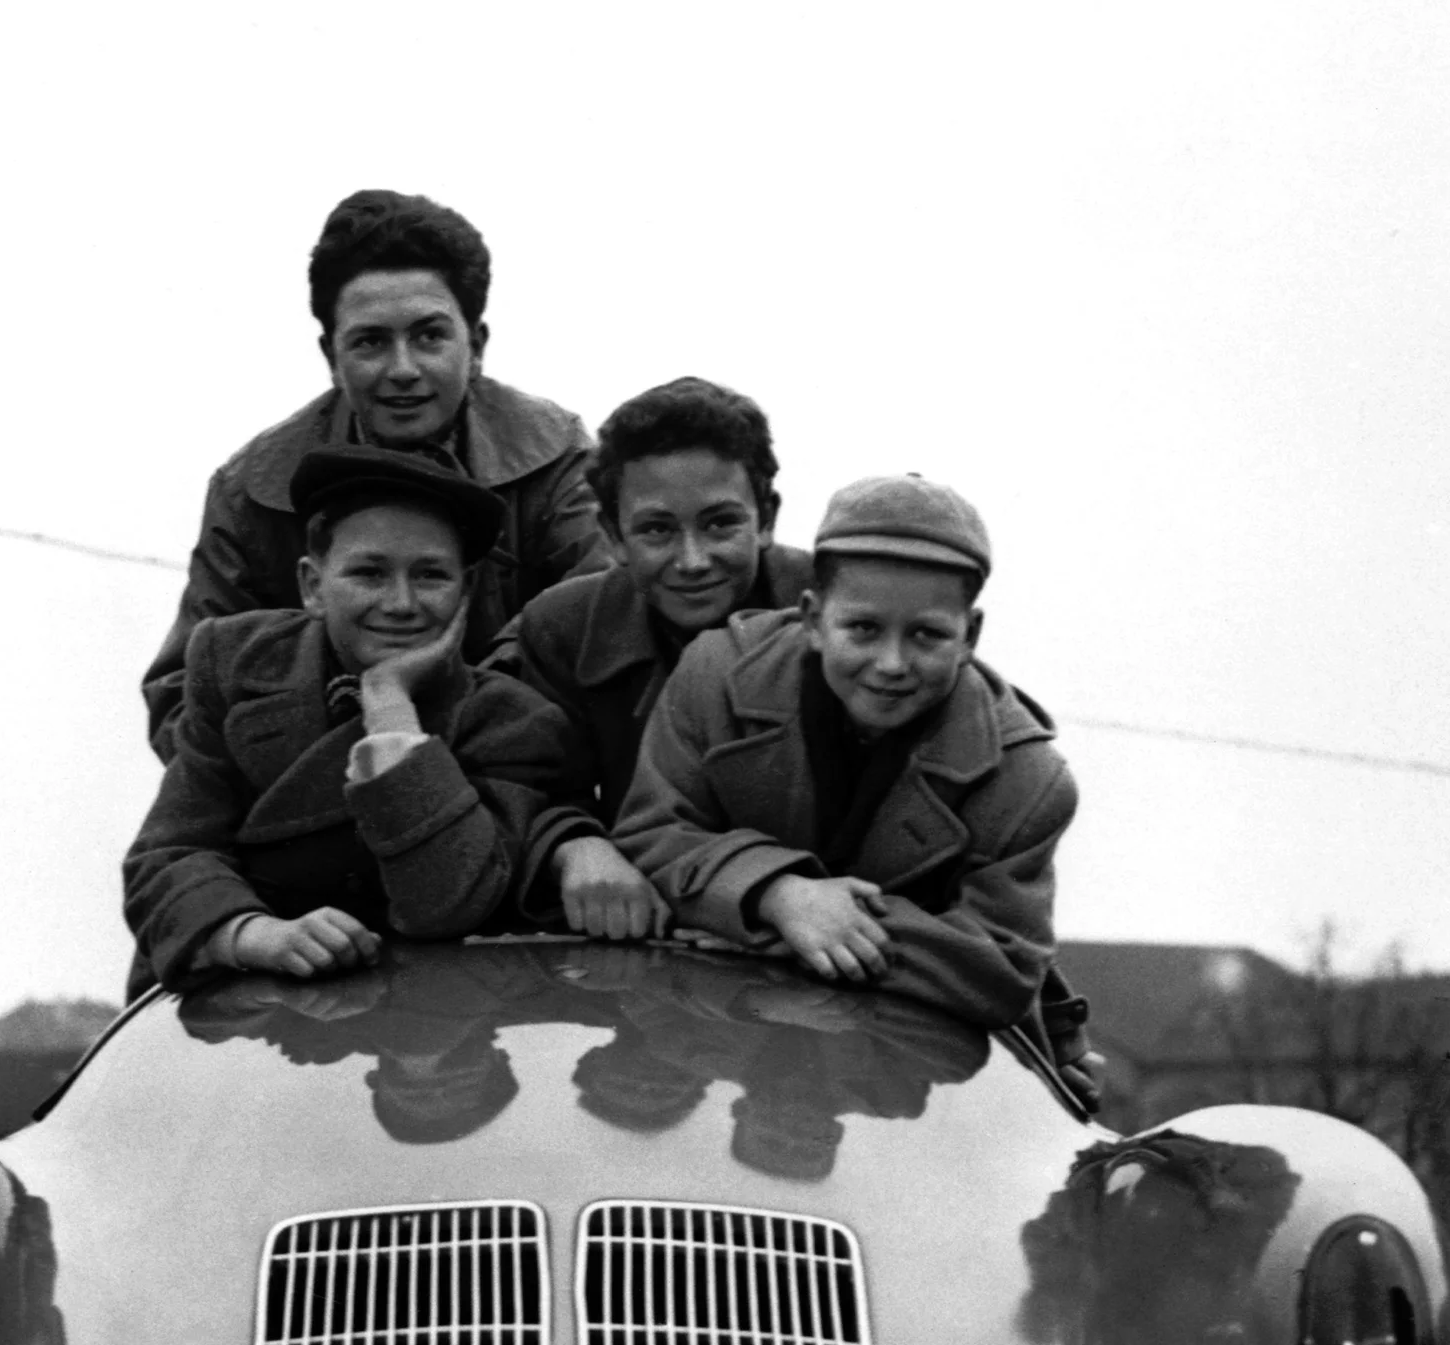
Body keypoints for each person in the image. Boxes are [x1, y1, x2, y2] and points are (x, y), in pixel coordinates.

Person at [141, 189, 609, 757]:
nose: (403, 369)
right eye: (371, 342)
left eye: (429, 336)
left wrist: (458, 734)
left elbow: (601, 634)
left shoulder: (555, 458)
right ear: (331, 357)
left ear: (477, 345)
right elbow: (181, 698)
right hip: (309, 780)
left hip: (513, 771)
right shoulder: (252, 490)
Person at [613, 474, 1079, 1038]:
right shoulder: (714, 675)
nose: (891, 663)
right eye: (863, 628)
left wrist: (800, 930)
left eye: (927, 635)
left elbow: (1001, 969)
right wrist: (778, 894)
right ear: (813, 619)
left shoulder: (1025, 779)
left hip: (908, 1058)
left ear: (970, 637)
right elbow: (650, 834)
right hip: (718, 1028)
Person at [123, 446, 586, 987]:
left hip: (425, 1017)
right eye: (369, 573)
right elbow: (168, 855)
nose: (401, 603)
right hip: (238, 998)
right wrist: (255, 935)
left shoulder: (512, 721)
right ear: (312, 586)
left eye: (431, 576)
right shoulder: (235, 664)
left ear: (467, 591)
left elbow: (449, 902)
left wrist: (390, 707)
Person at [488, 376, 813, 943]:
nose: (693, 560)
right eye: (657, 530)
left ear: (766, 518)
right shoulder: (564, 628)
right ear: (613, 537)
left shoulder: (829, 616)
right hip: (640, 926)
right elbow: (523, 779)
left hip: (808, 923)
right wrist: (574, 845)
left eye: (720, 523)